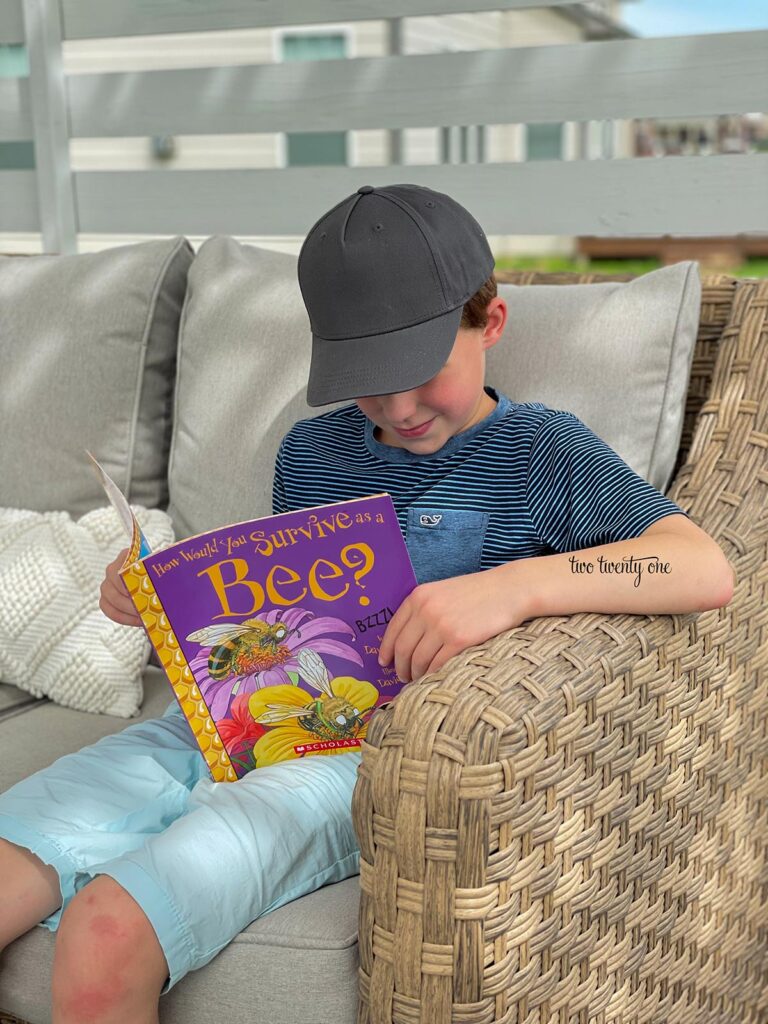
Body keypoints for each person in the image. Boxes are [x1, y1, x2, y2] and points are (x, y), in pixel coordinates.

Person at [0, 183, 734, 1023]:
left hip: (375, 751)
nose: (398, 409)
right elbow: (281, 619)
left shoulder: (543, 451)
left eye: (421, 375)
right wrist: (164, 604)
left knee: (107, 931)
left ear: (489, 325)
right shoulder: (312, 452)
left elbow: (702, 566)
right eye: (366, 385)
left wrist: (515, 586)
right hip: (235, 723)